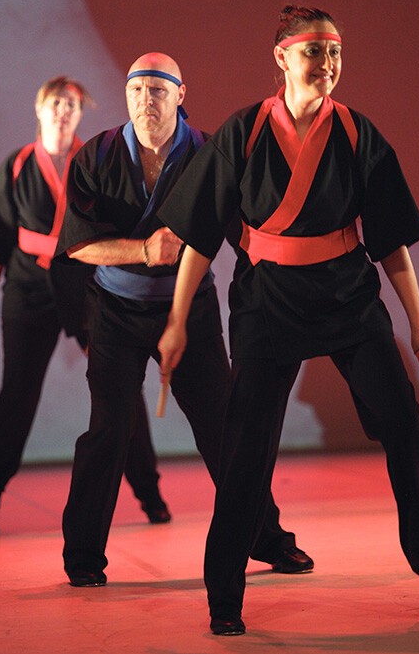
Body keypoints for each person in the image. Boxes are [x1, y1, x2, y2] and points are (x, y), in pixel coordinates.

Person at [157, 6, 419, 635]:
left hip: (348, 295)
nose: (327, 63)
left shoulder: (356, 132)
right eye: (314, 52)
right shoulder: (244, 132)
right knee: (246, 452)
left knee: (402, 422)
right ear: (282, 58)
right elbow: (198, 239)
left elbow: (390, 242)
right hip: (267, 301)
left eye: (334, 52)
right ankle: (225, 597)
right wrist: (176, 322)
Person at [55, 52, 313, 590]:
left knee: (225, 428)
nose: (145, 100)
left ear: (180, 94)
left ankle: (267, 539)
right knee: (109, 429)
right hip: (116, 309)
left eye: (157, 89)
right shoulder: (97, 154)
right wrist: (143, 250)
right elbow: (77, 246)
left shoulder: (209, 153)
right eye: (136, 89)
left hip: (189, 306)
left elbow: (246, 231)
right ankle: (83, 556)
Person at [0, 76, 170, 537]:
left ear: (80, 114)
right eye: (56, 103)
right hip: (28, 290)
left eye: (72, 105)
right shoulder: (17, 166)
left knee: (120, 389)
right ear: (39, 109)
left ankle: (150, 493)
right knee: (17, 394)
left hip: (86, 287)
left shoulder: (95, 161)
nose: (63, 110)